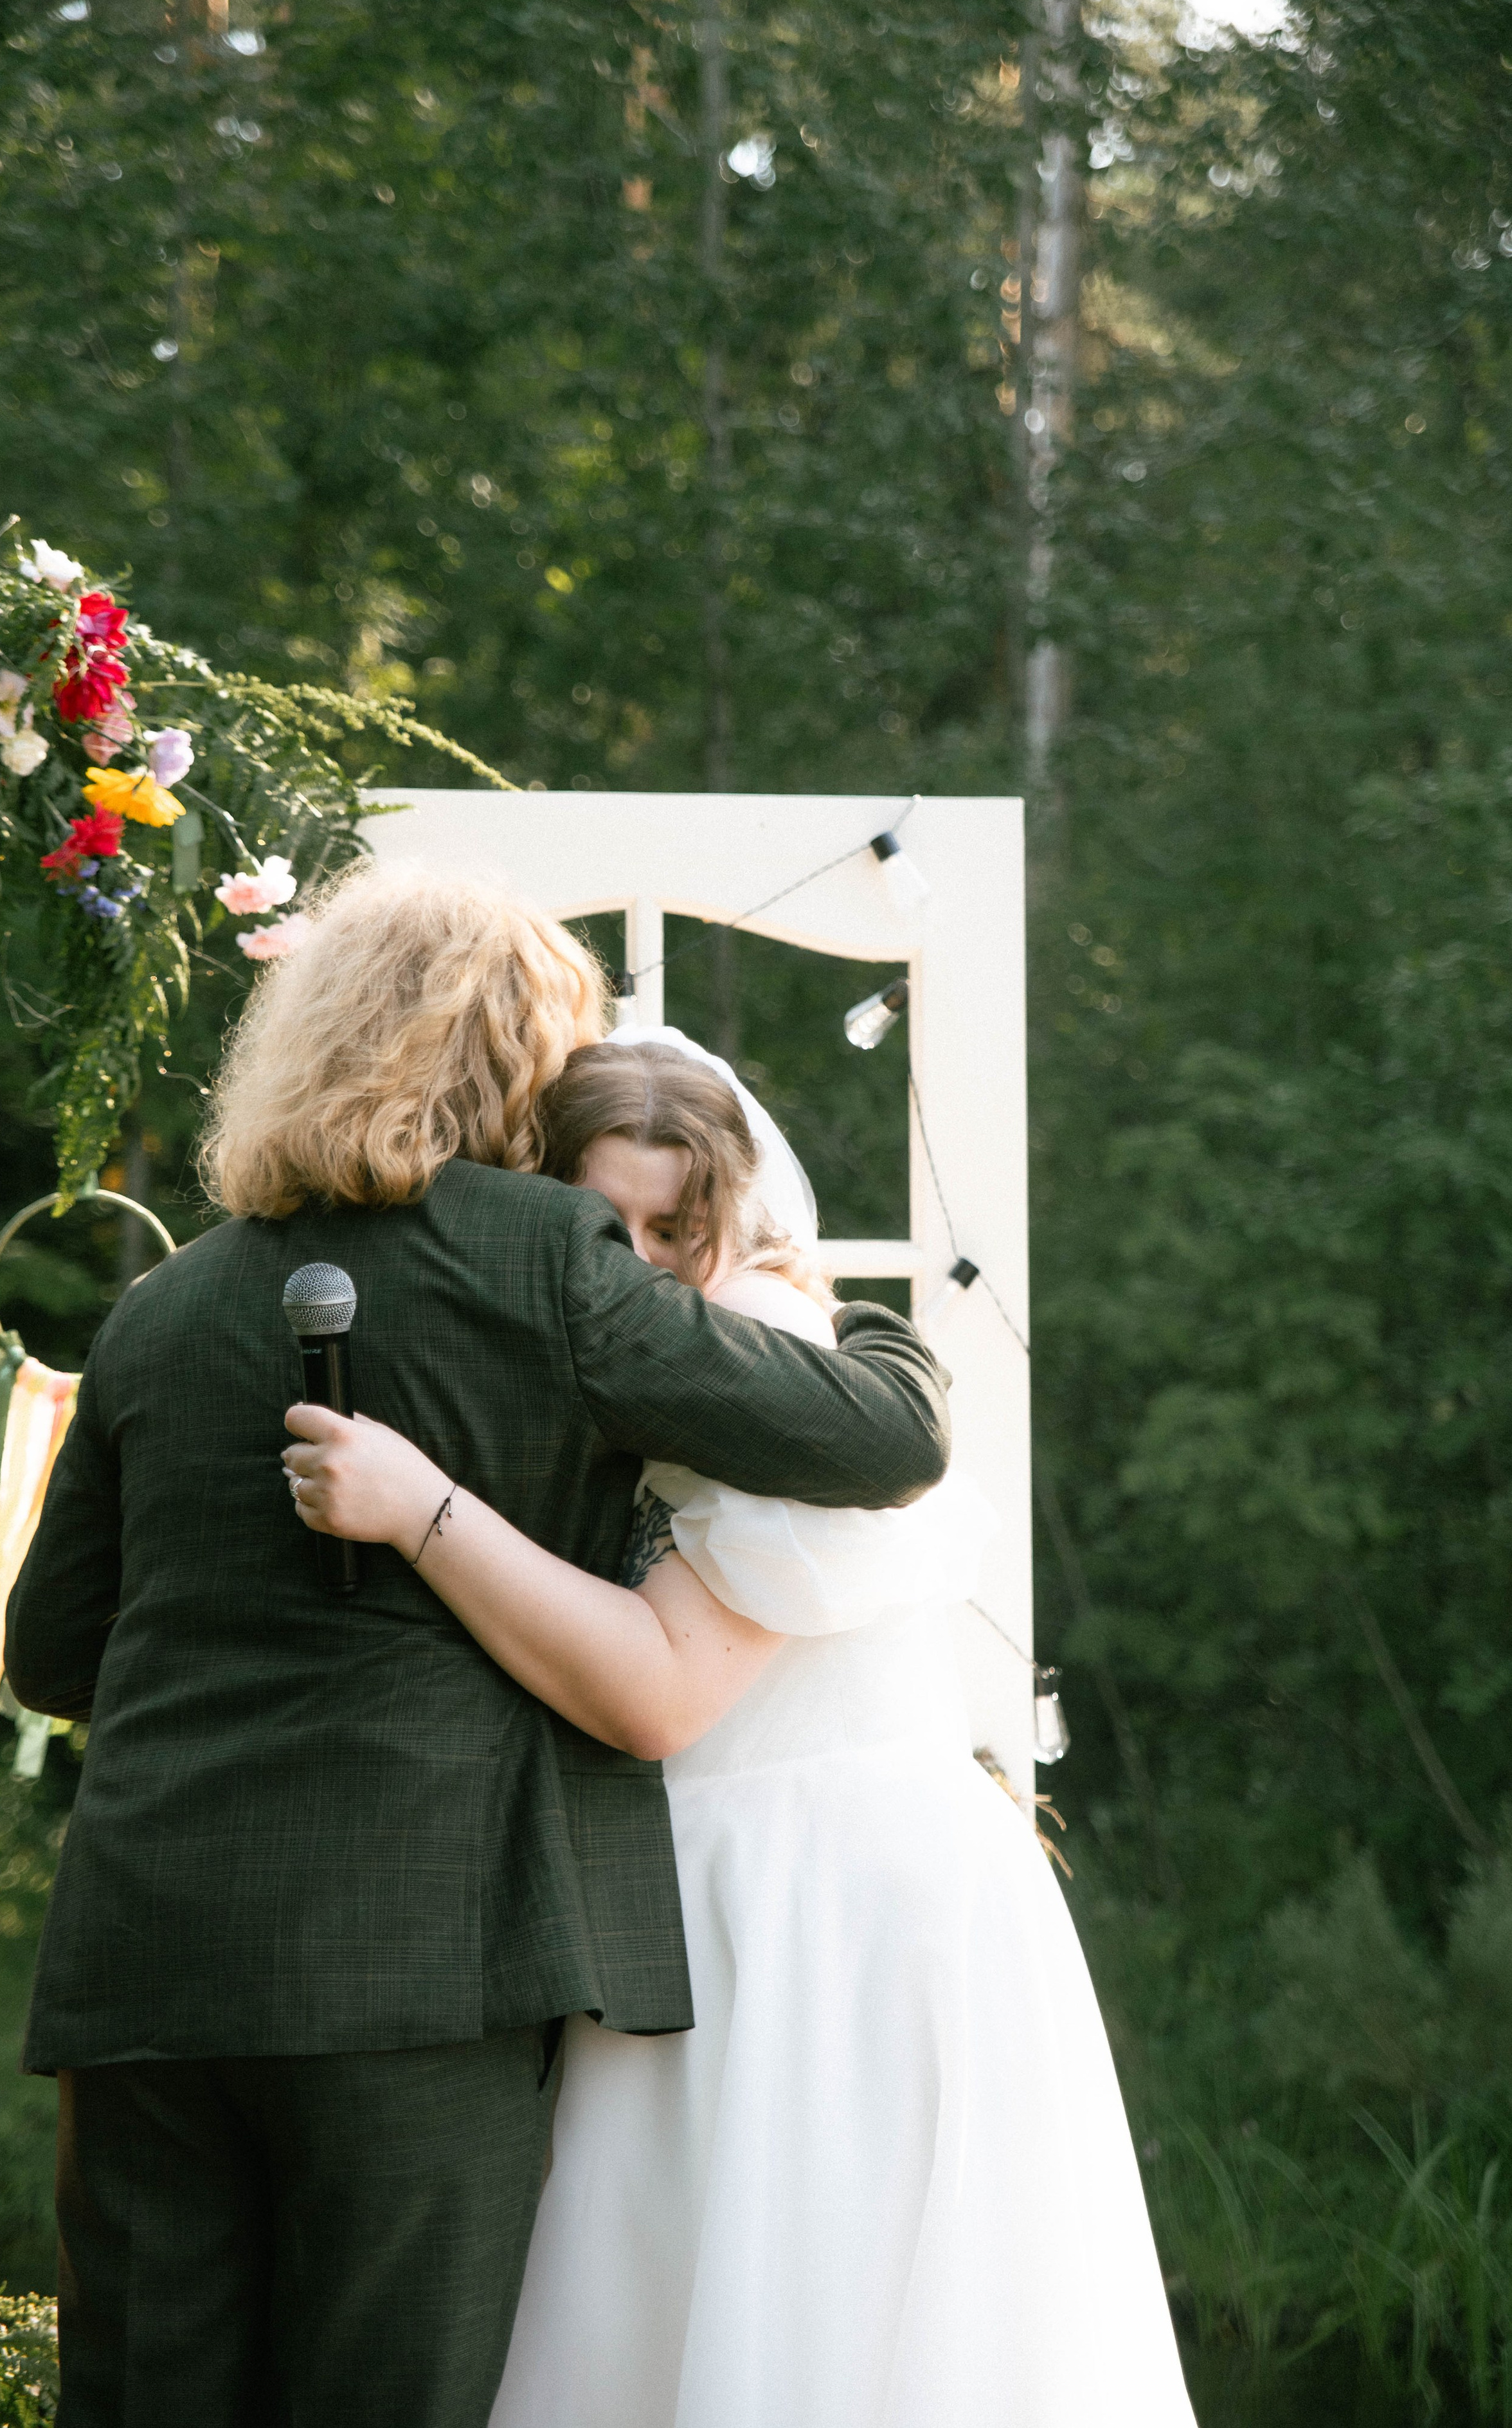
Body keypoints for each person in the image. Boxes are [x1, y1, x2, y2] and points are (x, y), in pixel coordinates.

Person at [3, 867, 953, 2428]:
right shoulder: (546, 1256)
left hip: (146, 1961)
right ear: (524, 1058)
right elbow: (888, 1441)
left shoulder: (162, 1308)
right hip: (419, 1970)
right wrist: (837, 1310)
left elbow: (51, 1656)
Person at [284, 1031, 1200, 2428]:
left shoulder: (759, 1344)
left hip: (809, 1913)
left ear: (732, 1214)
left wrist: (421, 1512)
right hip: (716, 1889)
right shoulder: (633, 1369)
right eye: (613, 1229)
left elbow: (656, 1693)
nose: (649, 1267)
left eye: (677, 1228)